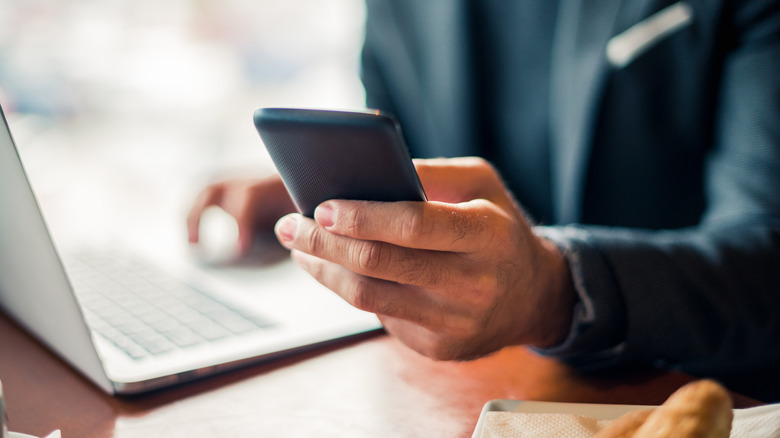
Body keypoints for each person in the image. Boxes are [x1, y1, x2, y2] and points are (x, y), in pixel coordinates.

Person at [188, 0, 780, 401]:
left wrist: (556, 289)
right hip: (472, 398)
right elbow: (411, 149)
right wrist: (323, 188)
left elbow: (767, 256)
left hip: (689, 396)